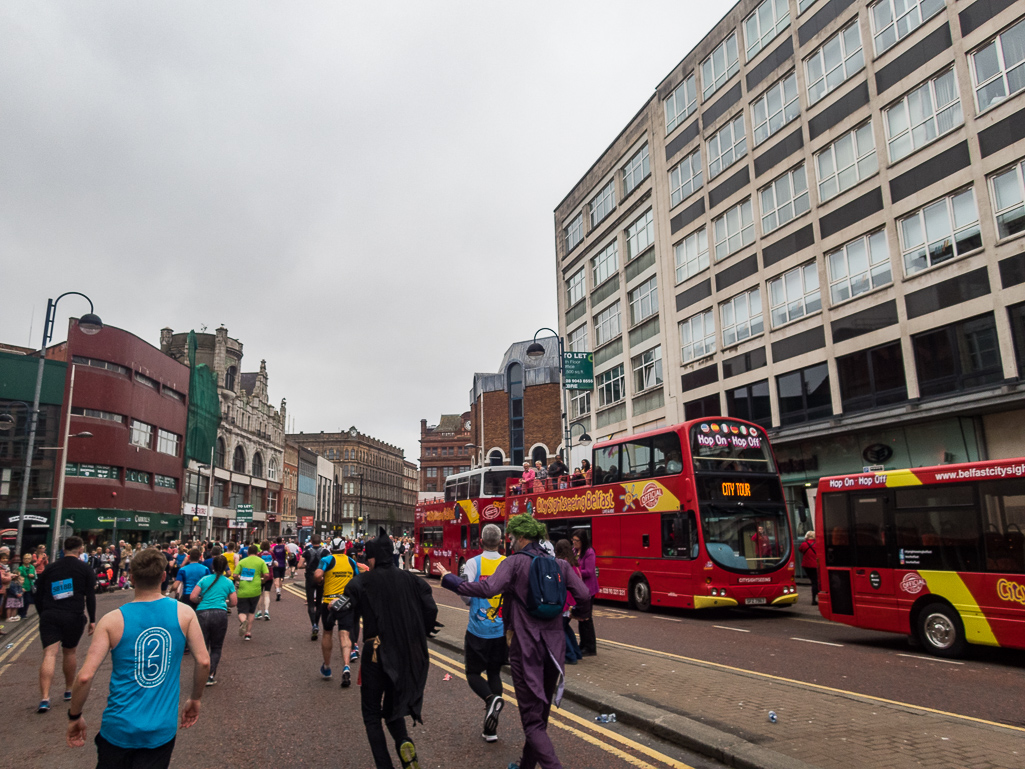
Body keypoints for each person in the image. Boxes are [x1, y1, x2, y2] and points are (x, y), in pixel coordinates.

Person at [438, 514, 591, 769]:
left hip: (526, 645)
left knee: (532, 722)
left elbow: (487, 589)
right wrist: (578, 615)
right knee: (539, 717)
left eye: (510, 537)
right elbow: (584, 594)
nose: (509, 542)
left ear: (521, 537)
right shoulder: (560, 564)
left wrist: (450, 580)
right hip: (554, 650)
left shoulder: (515, 563)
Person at [66, 548, 210, 768]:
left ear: (131, 577)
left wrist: (74, 716)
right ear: (163, 577)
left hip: (118, 728)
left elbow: (85, 677)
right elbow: (203, 661)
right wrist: (195, 698)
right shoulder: (184, 613)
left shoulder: (111, 620)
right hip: (160, 729)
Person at [345, 528, 438, 769]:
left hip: (375, 652)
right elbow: (431, 609)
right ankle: (405, 744)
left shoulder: (361, 581)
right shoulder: (413, 580)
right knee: (393, 708)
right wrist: (422, 632)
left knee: (372, 714)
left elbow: (345, 608)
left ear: (375, 557)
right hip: (406, 653)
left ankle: (385, 765)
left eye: (369, 557)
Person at [33, 536, 97, 713]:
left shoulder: (51, 568)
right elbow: (90, 596)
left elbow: (38, 594)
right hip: (73, 615)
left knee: (49, 654)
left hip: (50, 615)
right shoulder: (84, 569)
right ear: (80, 549)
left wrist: (43, 613)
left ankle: (44, 698)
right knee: (70, 651)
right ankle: (68, 689)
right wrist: (92, 619)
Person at [459, 523, 507, 742]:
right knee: (495, 673)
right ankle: (491, 731)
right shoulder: (507, 563)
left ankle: (490, 700)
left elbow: (467, 596)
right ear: (501, 541)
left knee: (472, 674)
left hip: (477, 630)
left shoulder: (472, 563)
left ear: (481, 542)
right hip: (500, 630)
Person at [314, 539, 367, 686]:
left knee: (327, 632)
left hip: (328, 603)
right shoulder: (351, 561)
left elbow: (318, 575)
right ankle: (346, 666)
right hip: (345, 602)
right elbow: (357, 580)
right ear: (344, 549)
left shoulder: (327, 559)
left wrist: (320, 580)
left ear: (331, 548)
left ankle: (327, 667)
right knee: (344, 634)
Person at [190, 554, 237, 685]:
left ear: (212, 566)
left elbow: (193, 597)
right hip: (220, 613)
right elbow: (234, 602)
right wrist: (222, 602)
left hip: (202, 613)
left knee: (203, 646)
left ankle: (200, 673)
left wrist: (202, 600)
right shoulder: (228, 582)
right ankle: (210, 675)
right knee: (216, 647)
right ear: (224, 567)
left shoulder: (204, 579)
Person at [232, 544, 270, 641]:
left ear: (248, 552)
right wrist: (263, 580)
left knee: (241, 611)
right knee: (251, 612)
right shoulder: (261, 561)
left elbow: (235, 575)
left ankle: (243, 621)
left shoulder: (243, 561)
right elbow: (266, 574)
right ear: (257, 553)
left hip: (243, 589)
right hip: (255, 589)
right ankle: (248, 633)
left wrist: (239, 579)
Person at [554, 540, 583, 665]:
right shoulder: (573, 563)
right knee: (566, 627)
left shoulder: (562, 563)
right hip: (573, 600)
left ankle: (570, 655)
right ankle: (576, 652)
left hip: (564, 600)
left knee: (560, 628)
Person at [572, 529, 599, 657]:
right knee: (580, 618)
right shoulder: (574, 551)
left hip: (588, 589)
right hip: (579, 589)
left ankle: (590, 647)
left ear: (582, 541)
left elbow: (589, 571)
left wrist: (574, 572)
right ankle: (583, 644)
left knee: (586, 618)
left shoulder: (589, 552)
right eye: (573, 540)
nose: (574, 543)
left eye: (576, 541)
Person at [299, 535, 330, 641]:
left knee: (311, 603)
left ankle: (314, 625)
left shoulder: (307, 551)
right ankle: (317, 623)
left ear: (311, 541)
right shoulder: (325, 552)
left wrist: (307, 566)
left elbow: (299, 565)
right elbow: (329, 565)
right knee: (319, 603)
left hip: (310, 578)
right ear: (321, 541)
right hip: (321, 578)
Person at [800, 531, 819, 606]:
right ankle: (814, 599)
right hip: (815, 565)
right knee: (815, 581)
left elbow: (800, 550)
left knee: (813, 581)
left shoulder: (804, 544)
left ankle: (814, 598)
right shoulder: (817, 544)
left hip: (806, 565)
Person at [18, 552, 38, 618]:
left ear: (30, 560)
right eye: (25, 558)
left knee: (27, 601)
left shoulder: (32, 567)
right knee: (21, 601)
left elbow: (35, 576)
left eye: (28, 559)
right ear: (23, 559)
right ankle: (20, 613)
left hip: (29, 586)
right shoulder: (20, 568)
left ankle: (24, 613)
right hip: (22, 586)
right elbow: (19, 577)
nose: (27, 560)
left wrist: (33, 576)